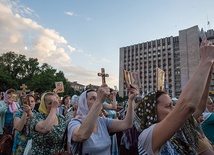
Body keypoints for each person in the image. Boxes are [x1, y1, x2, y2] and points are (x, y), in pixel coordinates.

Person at [138, 38, 214, 155]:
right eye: (168, 106)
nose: (173, 109)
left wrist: (208, 70)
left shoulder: (179, 129)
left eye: (173, 105)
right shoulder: (146, 137)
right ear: (152, 111)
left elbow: (200, 106)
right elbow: (186, 106)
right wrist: (205, 60)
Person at [68, 83, 139, 155]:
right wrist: (99, 100)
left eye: (97, 98)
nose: (97, 101)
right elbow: (82, 135)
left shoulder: (102, 121)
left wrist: (131, 100)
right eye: (93, 98)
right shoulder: (74, 123)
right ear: (83, 103)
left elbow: (127, 124)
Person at [103, 88, 119, 155]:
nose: (113, 95)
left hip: (113, 128)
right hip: (107, 128)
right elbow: (114, 107)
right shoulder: (104, 103)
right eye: (111, 94)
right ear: (108, 96)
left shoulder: (110, 103)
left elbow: (114, 110)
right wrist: (115, 96)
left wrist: (116, 114)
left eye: (113, 94)